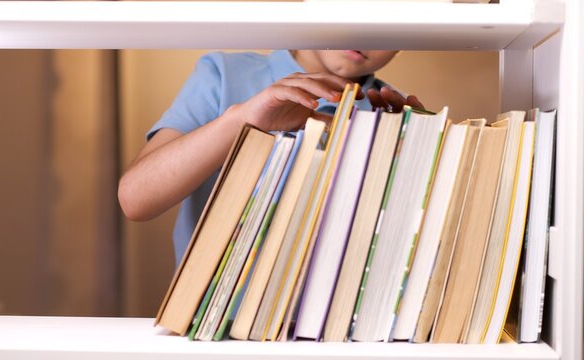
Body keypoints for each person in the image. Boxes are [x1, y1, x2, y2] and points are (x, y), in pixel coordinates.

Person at [118, 50, 424, 262]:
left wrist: (413, 161)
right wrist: (241, 121)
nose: (364, 28)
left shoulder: (392, 112)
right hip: (218, 336)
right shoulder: (224, 75)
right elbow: (135, 199)